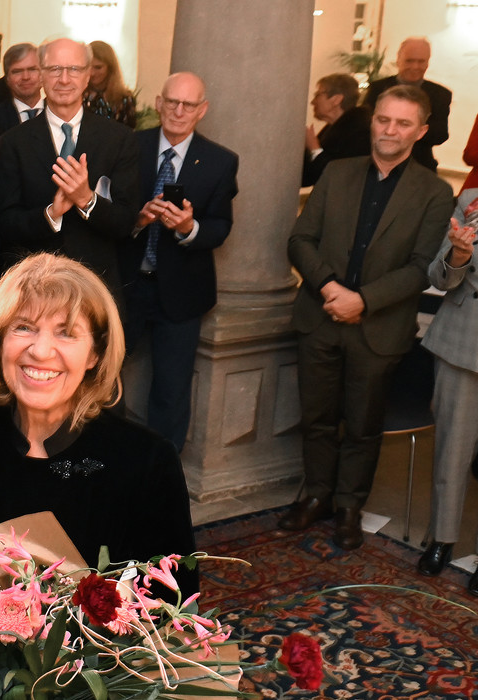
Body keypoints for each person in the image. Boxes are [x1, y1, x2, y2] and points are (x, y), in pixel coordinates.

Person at [0, 253, 199, 598]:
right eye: (24, 327)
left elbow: (170, 603)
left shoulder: (147, 462)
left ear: (95, 355)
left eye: (67, 333)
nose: (41, 351)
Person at [281, 85, 452, 550]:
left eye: (401, 123)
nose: (389, 130)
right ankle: (317, 496)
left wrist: (364, 301)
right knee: (316, 418)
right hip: (319, 316)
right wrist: (331, 288)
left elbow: (422, 268)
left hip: (378, 328)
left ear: (419, 132)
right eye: (383, 120)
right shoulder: (336, 173)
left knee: (362, 425)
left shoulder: (435, 193)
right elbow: (300, 239)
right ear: (372, 119)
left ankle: (349, 507)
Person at [119, 72, 238, 452]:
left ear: (202, 110)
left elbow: (220, 227)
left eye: (188, 105)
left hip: (182, 292)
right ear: (158, 103)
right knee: (102, 380)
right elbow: (105, 211)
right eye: (172, 102)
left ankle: (160, 474)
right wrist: (138, 219)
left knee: (171, 392)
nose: (178, 111)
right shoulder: (128, 148)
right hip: (125, 285)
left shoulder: (220, 161)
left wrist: (189, 227)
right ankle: (105, 461)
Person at [0, 38, 139, 296]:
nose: (64, 79)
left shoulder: (119, 139)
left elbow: (126, 222)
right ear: (41, 75)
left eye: (74, 69)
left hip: (97, 287)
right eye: (54, 69)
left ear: (87, 77)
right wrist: (51, 213)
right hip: (33, 286)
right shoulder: (13, 142)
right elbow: (7, 223)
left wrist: (87, 200)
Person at [418, 190, 478, 595]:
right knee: (452, 451)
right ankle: (441, 538)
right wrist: (457, 255)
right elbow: (440, 278)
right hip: (463, 342)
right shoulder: (472, 201)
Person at [363, 37, 451, 171]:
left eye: (421, 61)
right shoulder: (377, 88)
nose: (415, 66)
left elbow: (440, 134)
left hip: (420, 166)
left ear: (428, 62)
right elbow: (365, 126)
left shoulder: (440, 94)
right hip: (376, 165)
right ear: (398, 60)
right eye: (409, 61)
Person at [302, 73, 371, 187]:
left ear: (336, 100)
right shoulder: (334, 127)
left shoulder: (360, 131)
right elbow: (308, 176)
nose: (313, 102)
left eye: (318, 95)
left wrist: (314, 147)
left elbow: (339, 178)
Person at [0, 42, 43, 134]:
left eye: (32, 69)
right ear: (7, 78)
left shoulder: (59, 113)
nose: (25, 77)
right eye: (17, 71)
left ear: (43, 74)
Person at [83, 40, 136, 128]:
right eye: (88, 67)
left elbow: (129, 133)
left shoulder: (124, 99)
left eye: (98, 67)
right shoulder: (78, 96)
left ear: (110, 67)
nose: (92, 73)